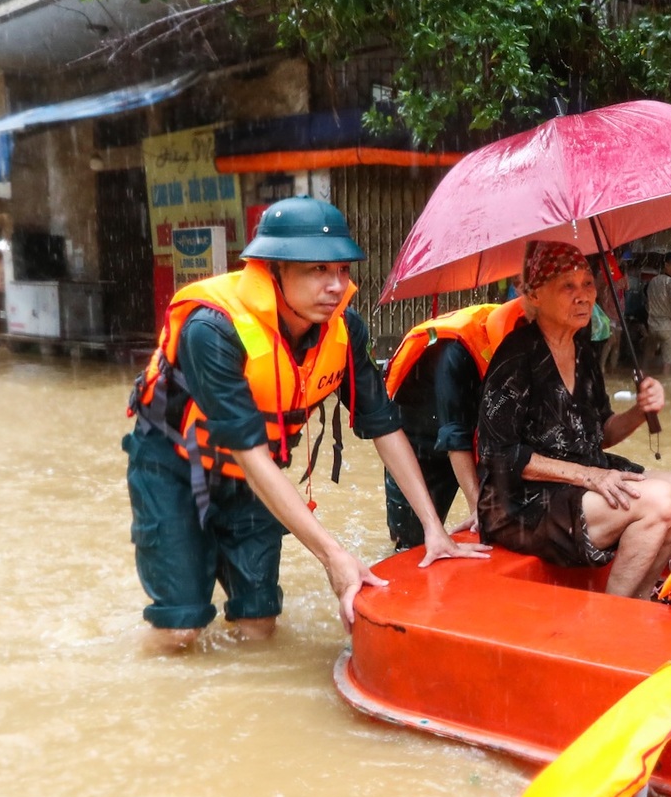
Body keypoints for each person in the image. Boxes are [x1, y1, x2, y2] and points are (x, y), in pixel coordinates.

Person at [125, 196, 488, 651]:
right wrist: (333, 557)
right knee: (181, 628)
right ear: (272, 271)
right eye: (317, 270)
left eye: (342, 271)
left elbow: (384, 426)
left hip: (256, 477)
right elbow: (249, 451)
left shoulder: (344, 330)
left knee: (258, 628)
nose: (335, 286)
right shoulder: (212, 331)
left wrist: (434, 529)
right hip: (173, 468)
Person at [477, 241, 671, 598]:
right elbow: (500, 455)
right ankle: (612, 617)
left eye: (588, 284)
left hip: (582, 476)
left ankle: (639, 601)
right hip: (522, 503)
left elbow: (601, 433)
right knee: (658, 501)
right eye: (568, 286)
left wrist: (640, 412)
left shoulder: (582, 349)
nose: (583, 296)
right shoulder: (515, 357)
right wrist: (592, 476)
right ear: (534, 295)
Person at [382, 297, 528, 550]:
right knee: (410, 542)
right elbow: (454, 437)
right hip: (419, 443)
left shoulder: (521, 330)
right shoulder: (455, 351)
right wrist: (477, 508)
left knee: (508, 519)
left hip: (475, 434)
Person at [644, 251, 671, 372]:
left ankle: (642, 381)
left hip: (653, 327)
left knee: (648, 359)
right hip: (668, 327)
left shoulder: (652, 282)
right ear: (666, 265)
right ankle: (667, 386)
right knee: (668, 365)